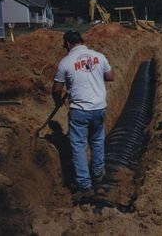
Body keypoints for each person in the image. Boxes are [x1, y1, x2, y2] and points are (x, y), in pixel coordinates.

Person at [52, 30, 114, 201]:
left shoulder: (65, 62)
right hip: (99, 108)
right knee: (97, 141)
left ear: (68, 44)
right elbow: (110, 76)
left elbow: (57, 89)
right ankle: (98, 174)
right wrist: (92, 76)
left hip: (80, 110)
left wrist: (58, 101)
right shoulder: (99, 56)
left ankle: (84, 185)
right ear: (81, 41)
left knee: (79, 147)